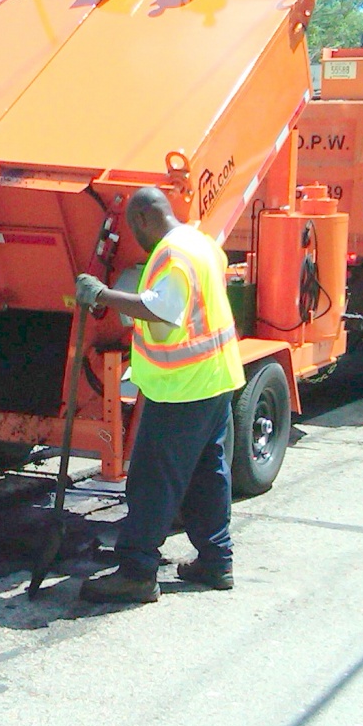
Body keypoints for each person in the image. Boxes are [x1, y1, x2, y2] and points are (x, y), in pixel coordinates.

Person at [74, 186, 245, 604]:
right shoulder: (200, 242)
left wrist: (101, 294)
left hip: (182, 388)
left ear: (145, 220)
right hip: (215, 380)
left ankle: (136, 572)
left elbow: (163, 310)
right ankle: (215, 561)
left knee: (152, 482)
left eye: (135, 229)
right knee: (208, 475)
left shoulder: (172, 255)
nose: (136, 239)